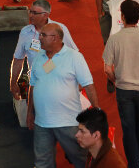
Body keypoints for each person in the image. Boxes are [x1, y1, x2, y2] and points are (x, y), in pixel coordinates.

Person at [27, 23, 99, 168]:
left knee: (81, 160)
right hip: (42, 123)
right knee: (42, 163)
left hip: (69, 122)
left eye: (43, 35)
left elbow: (88, 85)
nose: (39, 38)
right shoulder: (39, 57)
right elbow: (33, 86)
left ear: (55, 38)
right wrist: (29, 112)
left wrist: (97, 113)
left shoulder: (74, 57)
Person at [102, 0, 139, 168]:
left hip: (124, 90)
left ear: (122, 16)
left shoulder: (114, 39)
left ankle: (134, 163)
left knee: (128, 127)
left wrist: (116, 80)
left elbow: (107, 69)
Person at [10, 0, 78, 100]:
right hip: (35, 84)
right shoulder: (25, 32)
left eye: (34, 13)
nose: (30, 15)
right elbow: (18, 59)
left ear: (45, 15)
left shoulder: (60, 29)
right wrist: (13, 82)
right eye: (30, 11)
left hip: (58, 83)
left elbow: (74, 56)